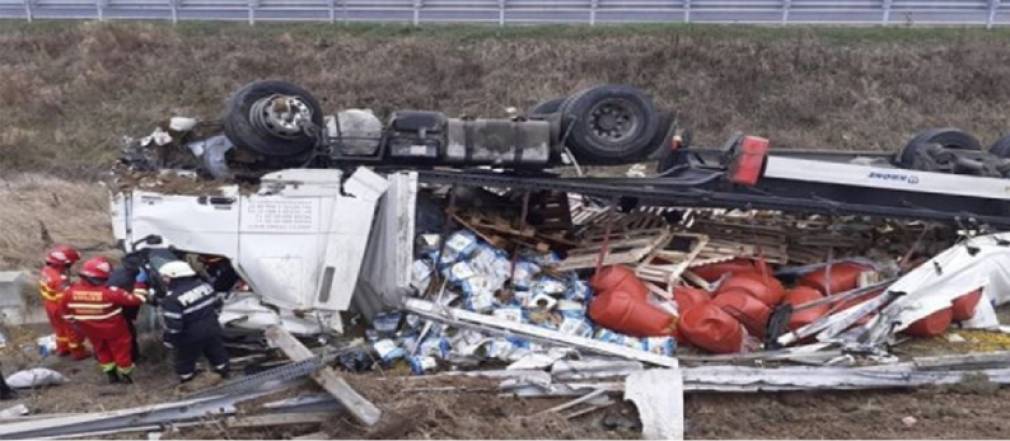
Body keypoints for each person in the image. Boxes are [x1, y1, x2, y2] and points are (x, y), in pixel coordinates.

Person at [61, 257, 146, 384]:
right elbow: (137, 299)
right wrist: (140, 283)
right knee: (121, 352)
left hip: (91, 330)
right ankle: (126, 377)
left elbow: (66, 314)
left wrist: (79, 325)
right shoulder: (111, 293)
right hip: (115, 330)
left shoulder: (69, 292)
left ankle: (111, 376)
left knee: (102, 351)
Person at [158, 261, 230, 384]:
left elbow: (174, 327)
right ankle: (224, 374)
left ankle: (187, 382)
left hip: (190, 337)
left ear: (173, 277)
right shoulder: (204, 286)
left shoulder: (171, 299)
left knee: (185, 360)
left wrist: (169, 340)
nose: (164, 279)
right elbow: (217, 305)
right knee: (217, 352)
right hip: (212, 328)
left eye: (165, 277)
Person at [38, 245, 89, 360]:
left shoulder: (46, 270)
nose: (71, 266)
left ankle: (63, 348)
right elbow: (64, 299)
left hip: (49, 305)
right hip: (59, 307)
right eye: (70, 264)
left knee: (59, 329)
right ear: (64, 264)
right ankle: (78, 352)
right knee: (72, 330)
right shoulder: (60, 279)